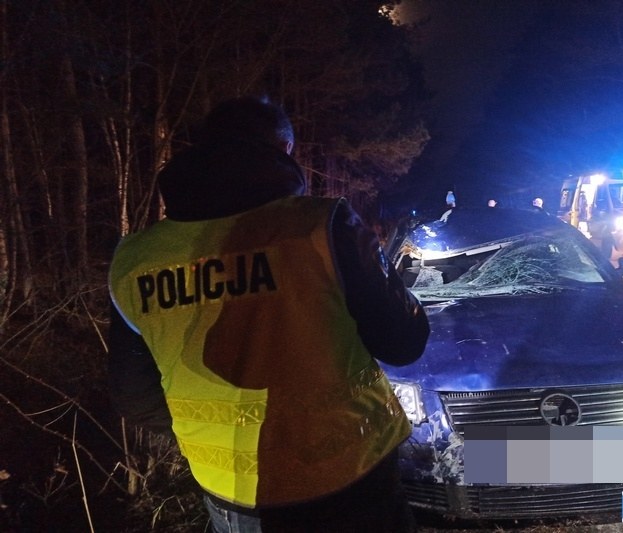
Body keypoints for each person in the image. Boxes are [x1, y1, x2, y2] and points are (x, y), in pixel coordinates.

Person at [107, 96, 430, 532]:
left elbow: (134, 395)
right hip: (353, 478)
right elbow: (403, 343)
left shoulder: (134, 259)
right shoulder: (321, 225)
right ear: (282, 149)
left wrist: (214, 434)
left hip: (233, 496)